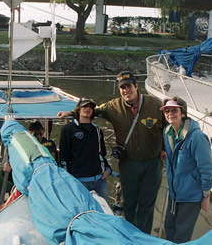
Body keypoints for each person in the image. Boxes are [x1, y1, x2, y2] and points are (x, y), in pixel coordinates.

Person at [58, 71, 165, 234]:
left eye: (129, 86)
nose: (126, 90)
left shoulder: (155, 104)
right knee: (129, 203)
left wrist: (165, 148)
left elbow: (169, 125)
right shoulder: (113, 106)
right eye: (122, 87)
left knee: (147, 204)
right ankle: (130, 236)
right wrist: (71, 113)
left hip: (152, 162)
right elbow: (92, 111)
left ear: (137, 86)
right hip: (129, 163)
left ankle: (145, 237)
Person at [161, 96, 212, 243]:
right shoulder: (167, 132)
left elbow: (207, 168)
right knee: (169, 228)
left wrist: (205, 196)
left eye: (174, 110)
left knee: (181, 236)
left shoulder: (197, 137)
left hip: (191, 196)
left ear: (182, 113)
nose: (170, 113)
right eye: (167, 111)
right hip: (174, 194)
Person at [59, 98, 112, 203]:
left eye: (91, 107)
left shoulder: (97, 130)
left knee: (106, 213)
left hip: (99, 181)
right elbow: (63, 156)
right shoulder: (68, 129)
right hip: (79, 181)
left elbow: (102, 153)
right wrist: (66, 179)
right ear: (78, 109)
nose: (88, 109)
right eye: (84, 106)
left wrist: (108, 169)